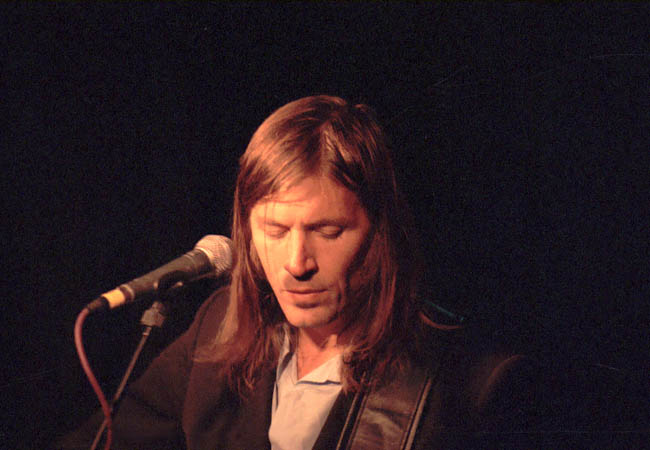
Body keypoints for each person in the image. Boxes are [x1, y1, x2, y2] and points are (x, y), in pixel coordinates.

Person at [60, 95, 637, 449]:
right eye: (275, 230)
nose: (297, 264)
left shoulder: (472, 386)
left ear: (379, 234)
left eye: (328, 232)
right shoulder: (222, 322)